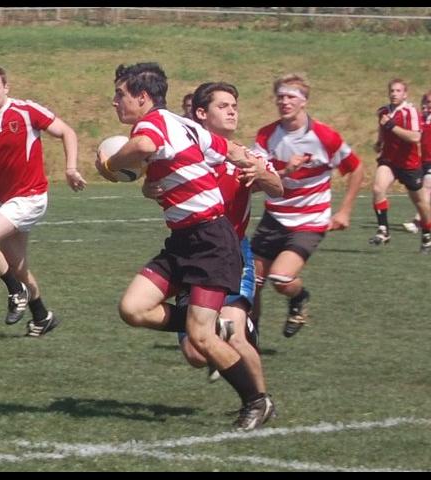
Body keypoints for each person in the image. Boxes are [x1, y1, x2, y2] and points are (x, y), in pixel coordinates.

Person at [96, 63, 275, 430]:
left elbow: (144, 145)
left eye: (120, 95)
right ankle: (213, 326)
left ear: (142, 98)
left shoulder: (152, 124)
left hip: (211, 240)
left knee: (199, 338)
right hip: (183, 240)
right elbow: (229, 150)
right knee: (132, 308)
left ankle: (257, 402)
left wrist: (109, 165)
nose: (115, 102)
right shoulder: (186, 127)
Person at [143, 82, 283, 396]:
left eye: (234, 105)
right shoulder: (182, 155)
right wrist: (148, 188)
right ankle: (215, 329)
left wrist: (260, 174)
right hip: (191, 253)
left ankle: (260, 402)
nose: (233, 110)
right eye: (223, 106)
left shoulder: (245, 156)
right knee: (195, 353)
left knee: (235, 338)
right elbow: (149, 180)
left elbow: (278, 187)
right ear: (201, 114)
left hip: (232, 253)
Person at [0, 65, 87, 337]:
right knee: (17, 266)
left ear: (6, 87)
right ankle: (42, 316)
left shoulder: (26, 111)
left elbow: (67, 132)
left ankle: (14, 290)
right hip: (5, 200)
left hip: (31, 197)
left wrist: (70, 168)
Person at [250, 73, 364, 339]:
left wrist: (345, 210)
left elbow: (356, 170)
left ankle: (299, 298)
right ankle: (249, 338)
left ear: (304, 101)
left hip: (309, 221)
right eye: (280, 97)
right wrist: (286, 171)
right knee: (252, 283)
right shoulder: (266, 135)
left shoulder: (324, 137)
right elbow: (258, 175)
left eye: (291, 97)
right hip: (275, 217)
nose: (284, 102)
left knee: (281, 278)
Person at [369, 78, 431, 253]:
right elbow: (382, 130)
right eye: (392, 91)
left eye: (398, 91)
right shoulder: (383, 111)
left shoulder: (410, 112)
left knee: (421, 203)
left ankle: (427, 234)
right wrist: (379, 142)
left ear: (405, 94)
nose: (394, 94)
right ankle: (383, 230)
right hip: (389, 160)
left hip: (409, 164)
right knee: (377, 188)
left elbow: (415, 137)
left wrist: (392, 126)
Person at [402, 91, 431, 234]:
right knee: (417, 190)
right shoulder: (421, 119)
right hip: (422, 161)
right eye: (425, 102)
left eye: (429, 102)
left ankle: (417, 221)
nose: (427, 105)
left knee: (426, 187)